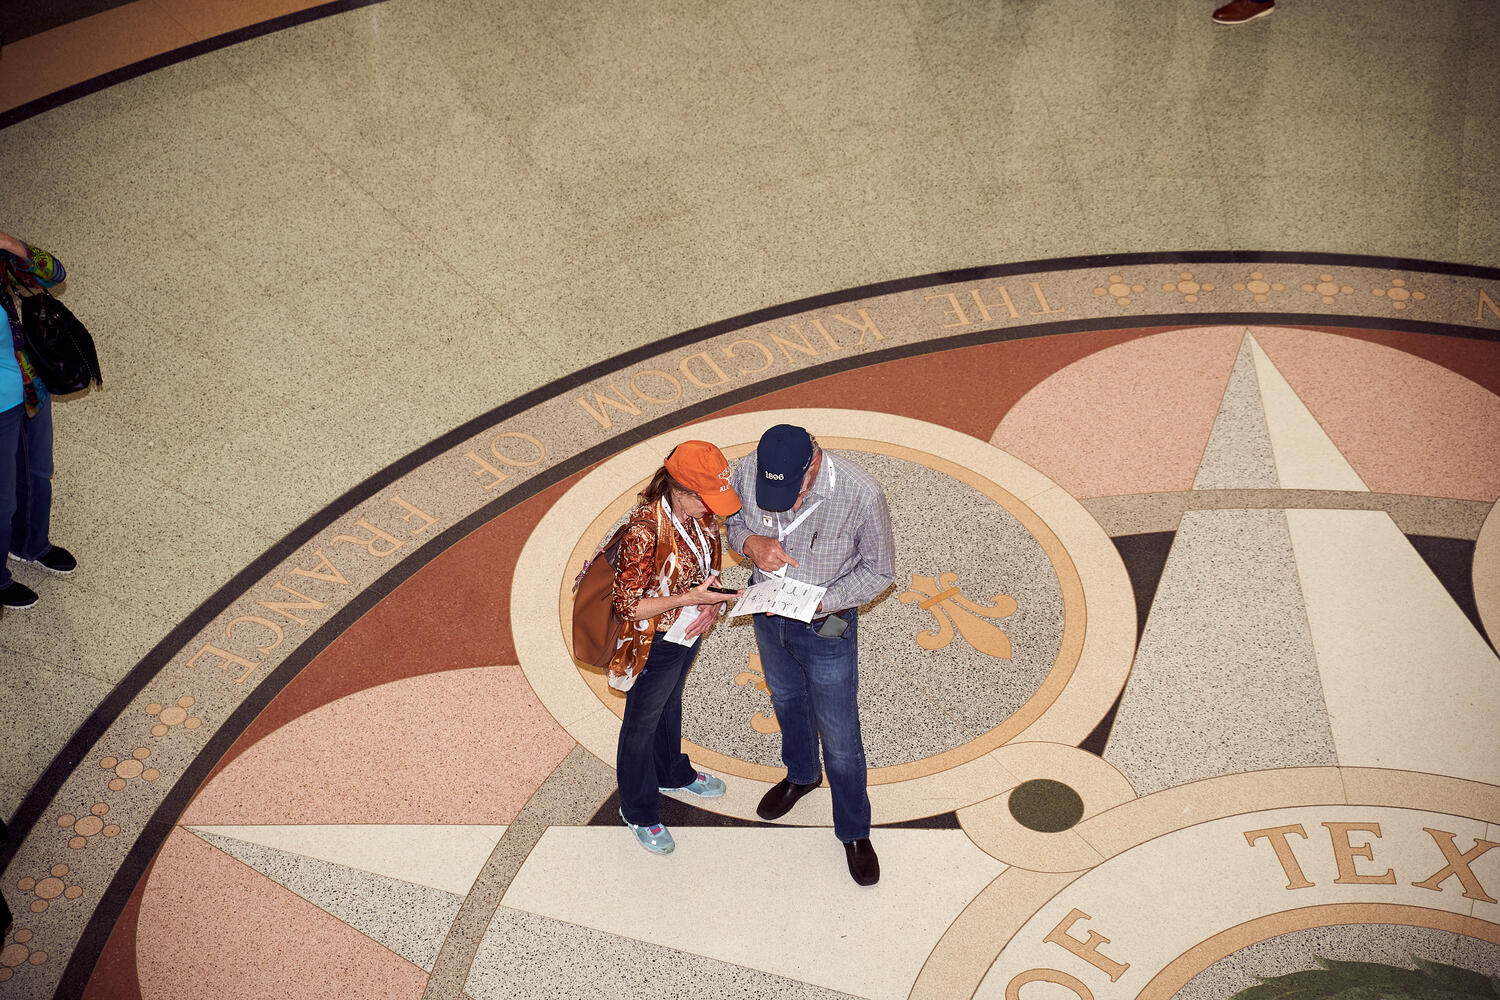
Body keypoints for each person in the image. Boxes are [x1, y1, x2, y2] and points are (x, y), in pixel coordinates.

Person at [724, 424, 895, 886]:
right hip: (767, 613)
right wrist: (749, 543)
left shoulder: (861, 493)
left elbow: (879, 572)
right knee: (785, 699)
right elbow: (732, 524)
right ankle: (801, 775)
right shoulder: (747, 472)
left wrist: (822, 601)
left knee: (839, 732)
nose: (788, 506)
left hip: (826, 623)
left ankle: (854, 830)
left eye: (795, 493)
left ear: (812, 466)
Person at [609, 440, 743, 855]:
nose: (715, 511)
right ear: (680, 490)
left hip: (687, 631)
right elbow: (627, 605)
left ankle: (670, 772)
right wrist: (688, 601)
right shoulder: (644, 529)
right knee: (641, 723)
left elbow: (707, 565)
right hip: (653, 640)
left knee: (670, 704)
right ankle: (637, 809)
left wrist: (710, 606)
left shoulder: (698, 515)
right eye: (708, 500)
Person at [1, 231, 76, 611]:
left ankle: (31, 544)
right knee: (2, 492)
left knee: (37, 469)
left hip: (31, 386)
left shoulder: (2, 262)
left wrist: (11, 245)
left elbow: (55, 274)